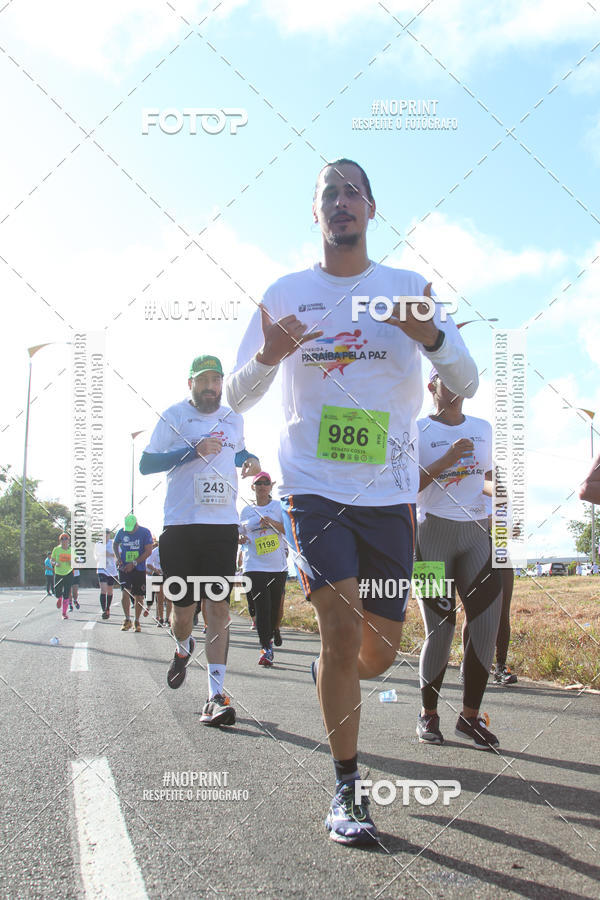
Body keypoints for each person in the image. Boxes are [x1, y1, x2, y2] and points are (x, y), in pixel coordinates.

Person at [226, 159, 478, 844]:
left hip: (389, 494)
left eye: (351, 193)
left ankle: (333, 671)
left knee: (377, 653)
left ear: (371, 209)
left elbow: (467, 378)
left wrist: (431, 336)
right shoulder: (284, 293)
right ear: (315, 214)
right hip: (312, 489)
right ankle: (347, 790)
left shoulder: (406, 288)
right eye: (327, 194)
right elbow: (236, 396)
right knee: (339, 633)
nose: (340, 203)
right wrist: (270, 354)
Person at [139, 354, 261, 727]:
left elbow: (236, 451)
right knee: (183, 613)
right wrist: (190, 451)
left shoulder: (233, 418)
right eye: (203, 380)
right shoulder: (173, 416)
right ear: (190, 383)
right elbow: (147, 464)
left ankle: (215, 696)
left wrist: (250, 458)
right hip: (180, 526)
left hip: (221, 527)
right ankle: (182, 647)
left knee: (218, 609)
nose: (211, 388)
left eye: (216, 381)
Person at [415, 370, 502, 750]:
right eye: (444, 378)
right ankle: (428, 715)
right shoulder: (417, 429)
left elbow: (485, 476)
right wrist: (448, 458)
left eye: (460, 378)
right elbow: (407, 484)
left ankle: (469, 718)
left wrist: (499, 492)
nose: (454, 386)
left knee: (486, 626)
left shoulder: (483, 427)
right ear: (431, 386)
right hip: (431, 535)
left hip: (475, 533)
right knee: (441, 629)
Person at [239, 472, 288, 667]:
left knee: (276, 608)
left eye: (266, 483)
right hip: (254, 565)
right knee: (262, 608)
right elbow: (239, 533)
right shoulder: (246, 510)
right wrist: (240, 539)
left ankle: (275, 629)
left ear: (271, 486)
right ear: (253, 487)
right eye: (258, 483)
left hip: (277, 566)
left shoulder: (278, 507)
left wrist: (272, 523)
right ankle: (265, 648)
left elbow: (289, 529)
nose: (262, 486)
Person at [113, 515, 153, 632]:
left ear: (136, 524)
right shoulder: (121, 532)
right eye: (128, 529)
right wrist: (118, 558)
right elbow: (115, 544)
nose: (129, 531)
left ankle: (137, 620)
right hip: (124, 568)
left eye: (131, 529)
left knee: (139, 596)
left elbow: (148, 551)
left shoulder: (145, 532)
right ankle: (127, 619)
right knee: (125, 592)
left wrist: (134, 563)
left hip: (139, 568)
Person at [96, 528, 118, 619]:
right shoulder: (98, 544)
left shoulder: (113, 543)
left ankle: (108, 608)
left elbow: (118, 555)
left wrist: (110, 554)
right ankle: (104, 610)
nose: (105, 535)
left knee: (110, 591)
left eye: (107, 534)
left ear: (109, 535)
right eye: (104, 534)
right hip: (102, 569)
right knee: (103, 590)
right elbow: (96, 556)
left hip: (111, 570)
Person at [51, 533, 73, 620]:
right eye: (62, 539)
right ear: (60, 541)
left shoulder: (72, 550)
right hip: (59, 573)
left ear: (68, 540)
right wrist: (56, 563)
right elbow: (52, 561)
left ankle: (64, 613)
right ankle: (59, 598)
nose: (64, 541)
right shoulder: (56, 549)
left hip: (68, 574)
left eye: (66, 539)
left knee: (67, 593)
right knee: (57, 591)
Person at [147, 542, 170, 627]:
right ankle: (160, 619)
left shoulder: (170, 550)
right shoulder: (155, 551)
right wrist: (155, 569)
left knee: (169, 599)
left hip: (168, 574)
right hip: (157, 574)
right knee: (159, 599)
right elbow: (148, 563)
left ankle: (168, 619)